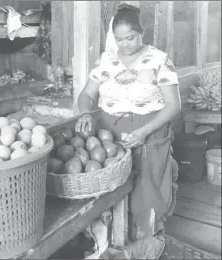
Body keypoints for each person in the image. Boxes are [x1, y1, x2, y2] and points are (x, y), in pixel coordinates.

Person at [75, 3, 180, 252]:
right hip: (111, 135)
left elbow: (174, 105)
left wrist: (143, 132)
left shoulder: (158, 60)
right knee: (112, 190)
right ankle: (109, 243)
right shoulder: (107, 61)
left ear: (141, 32)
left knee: (147, 188)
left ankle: (145, 243)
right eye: (119, 39)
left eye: (130, 38)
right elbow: (86, 95)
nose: (125, 44)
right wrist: (87, 113)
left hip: (150, 132)